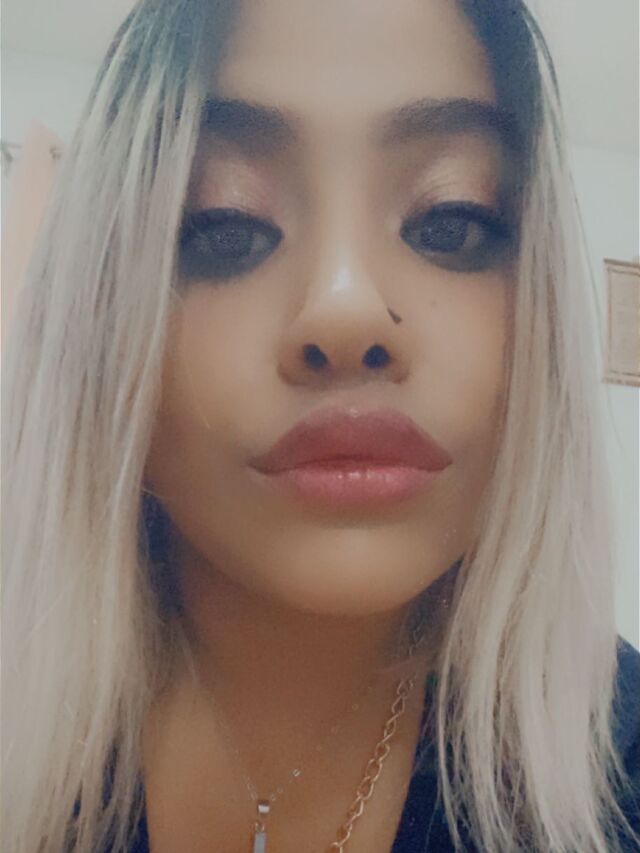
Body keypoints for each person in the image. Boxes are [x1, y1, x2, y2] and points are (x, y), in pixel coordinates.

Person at [3, 0, 639, 851]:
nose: (346, 309)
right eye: (225, 225)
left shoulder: (620, 768)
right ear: (101, 317)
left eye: (450, 222)